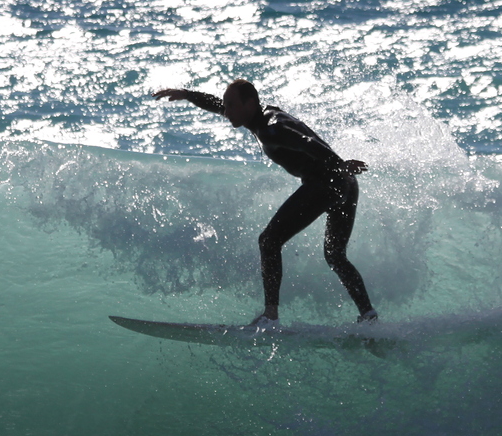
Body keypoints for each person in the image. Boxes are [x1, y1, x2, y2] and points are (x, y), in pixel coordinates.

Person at [152, 80, 377, 327]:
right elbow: (218, 105)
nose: (226, 112)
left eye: (232, 106)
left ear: (250, 104)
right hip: (346, 183)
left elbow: (306, 143)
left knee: (269, 241)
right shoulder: (261, 116)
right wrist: (187, 94)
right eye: (226, 106)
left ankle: (270, 315)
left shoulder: (271, 129)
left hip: (326, 183)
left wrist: (338, 163)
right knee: (335, 255)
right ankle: (368, 315)